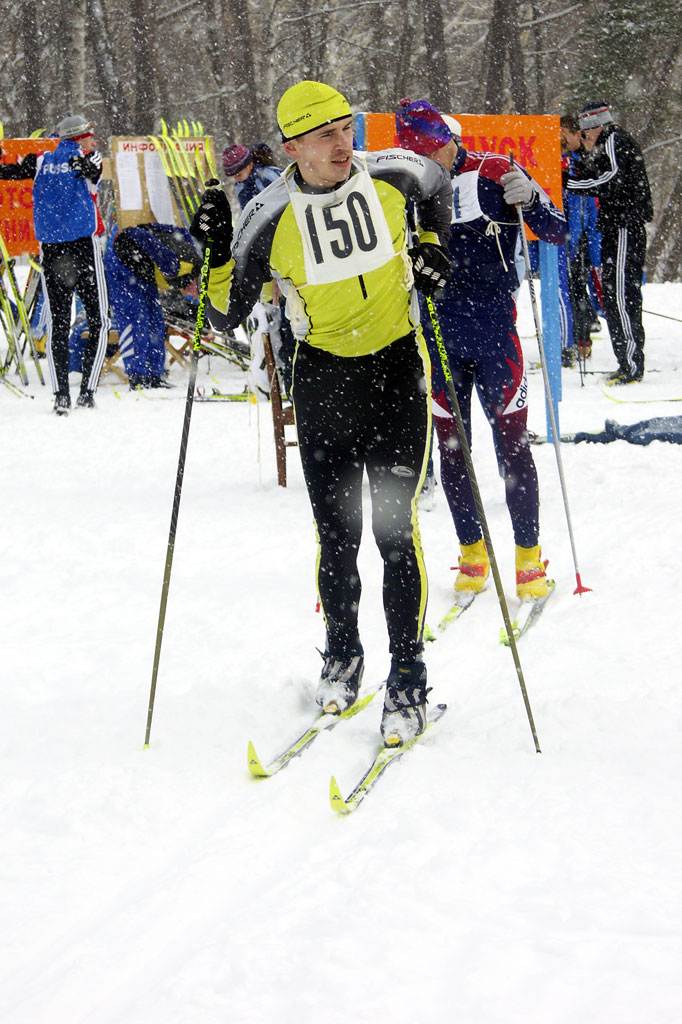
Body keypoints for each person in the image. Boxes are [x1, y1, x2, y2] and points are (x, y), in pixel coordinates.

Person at [191, 80, 453, 746]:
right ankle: (343, 654)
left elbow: (435, 188)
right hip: (325, 378)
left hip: (396, 368)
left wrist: (432, 247)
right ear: (292, 149)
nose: (343, 145)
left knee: (397, 535)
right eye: (324, 136)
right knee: (337, 533)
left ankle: (408, 676)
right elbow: (224, 309)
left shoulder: (392, 173)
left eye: (345, 129)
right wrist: (215, 251)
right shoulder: (267, 216)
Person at [395, 98, 568, 602]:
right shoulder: (405, 185)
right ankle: (472, 553)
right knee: (454, 451)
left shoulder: (494, 170)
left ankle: (528, 561)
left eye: (441, 151)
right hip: (439, 337)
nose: (437, 164)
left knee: (512, 448)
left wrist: (532, 199)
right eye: (425, 156)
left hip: (497, 336)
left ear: (452, 138)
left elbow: (557, 231)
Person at [0, 114, 109, 414]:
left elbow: (5, 173)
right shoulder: (88, 156)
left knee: (58, 324)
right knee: (99, 320)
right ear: (78, 137)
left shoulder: (40, 160)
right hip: (83, 249)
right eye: (89, 134)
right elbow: (93, 170)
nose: (93, 139)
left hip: (52, 251)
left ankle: (61, 395)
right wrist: (84, 167)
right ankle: (87, 391)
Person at [566, 101, 653, 384]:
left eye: (585, 132)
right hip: (614, 227)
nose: (584, 137)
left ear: (596, 126)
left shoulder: (614, 139)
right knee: (613, 296)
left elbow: (609, 178)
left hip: (625, 226)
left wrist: (568, 183)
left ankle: (632, 365)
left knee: (622, 297)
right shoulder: (603, 145)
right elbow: (593, 171)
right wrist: (574, 161)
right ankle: (626, 362)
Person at [103, 222, 202, 388]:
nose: (194, 296)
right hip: (122, 264)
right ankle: (137, 376)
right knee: (136, 319)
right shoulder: (179, 264)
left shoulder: (187, 271)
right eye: (197, 292)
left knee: (156, 322)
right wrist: (161, 254)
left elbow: (181, 232)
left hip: (145, 270)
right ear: (197, 279)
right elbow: (134, 233)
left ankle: (155, 375)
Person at [560, 115, 602, 361]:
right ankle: (569, 337)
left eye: (565, 134)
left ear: (577, 134)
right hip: (562, 233)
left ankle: (582, 339)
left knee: (577, 287)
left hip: (584, 234)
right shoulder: (559, 159)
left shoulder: (585, 158)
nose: (562, 140)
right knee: (565, 288)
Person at [221, 143, 282, 211]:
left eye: (238, 174)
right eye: (233, 176)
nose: (236, 180)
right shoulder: (241, 185)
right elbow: (245, 212)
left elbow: (285, 200)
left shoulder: (268, 176)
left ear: (250, 165)